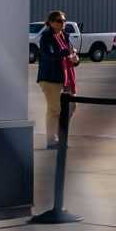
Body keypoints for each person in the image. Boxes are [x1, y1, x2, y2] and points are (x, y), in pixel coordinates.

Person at [35, 9, 76, 147]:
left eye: (64, 20)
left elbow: (70, 56)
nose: (63, 23)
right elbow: (50, 55)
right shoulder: (46, 37)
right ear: (51, 23)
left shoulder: (65, 36)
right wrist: (67, 52)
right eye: (59, 20)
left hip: (66, 77)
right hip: (50, 78)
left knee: (71, 106)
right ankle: (51, 140)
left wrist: (75, 59)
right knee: (54, 109)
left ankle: (60, 134)